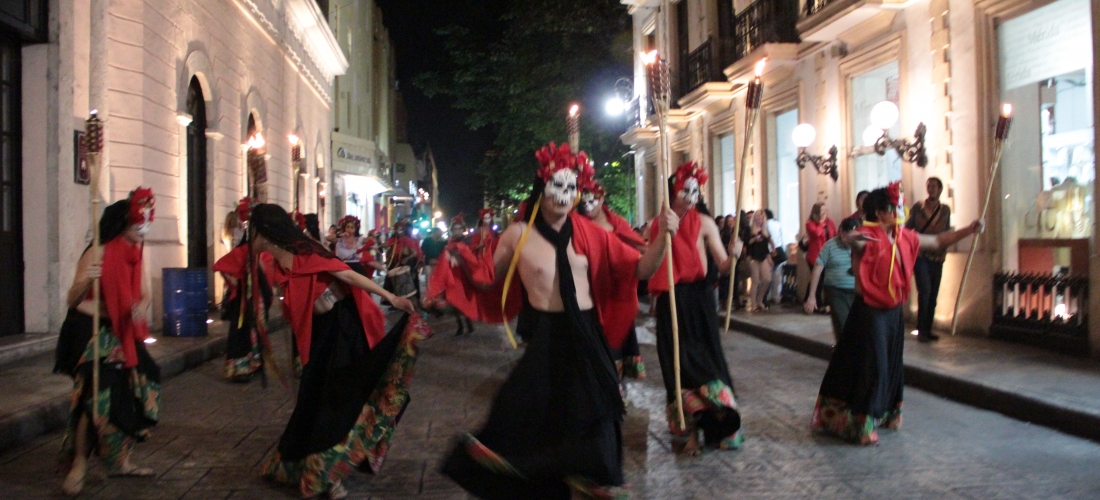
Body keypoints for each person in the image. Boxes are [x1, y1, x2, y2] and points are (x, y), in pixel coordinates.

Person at [442, 142, 675, 498]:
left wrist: (663, 237)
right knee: (523, 408)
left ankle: (594, 479)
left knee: (597, 409)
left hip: (587, 333)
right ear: (542, 187)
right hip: (548, 337)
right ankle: (536, 479)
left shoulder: (592, 233)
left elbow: (642, 268)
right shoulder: (518, 234)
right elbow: (489, 278)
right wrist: (459, 265)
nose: (565, 195)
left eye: (571, 187)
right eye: (557, 186)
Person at [252, 203, 427, 499]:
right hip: (317, 334)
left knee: (334, 398)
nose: (249, 235)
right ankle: (302, 466)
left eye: (252, 229)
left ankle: (327, 475)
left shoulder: (305, 250)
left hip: (341, 331)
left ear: (265, 230)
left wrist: (391, 297)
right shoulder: (271, 257)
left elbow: (346, 274)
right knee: (313, 396)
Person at [812, 183, 982, 445]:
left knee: (891, 364)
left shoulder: (905, 236)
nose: (900, 209)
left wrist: (968, 231)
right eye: (895, 206)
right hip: (868, 311)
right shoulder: (867, 234)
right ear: (881, 212)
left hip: (893, 313)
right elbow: (852, 240)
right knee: (875, 364)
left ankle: (888, 412)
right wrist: (854, 238)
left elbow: (937, 241)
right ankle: (862, 422)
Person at [54, 188, 160, 496]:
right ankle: (79, 464)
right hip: (87, 328)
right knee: (97, 394)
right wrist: (89, 279)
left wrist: (140, 306)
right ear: (124, 224)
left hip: (120, 328)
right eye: (139, 225)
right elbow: (73, 300)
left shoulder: (139, 250)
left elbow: (144, 293)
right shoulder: (98, 251)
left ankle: (120, 460)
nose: (144, 231)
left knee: (142, 382)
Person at [648, 162, 745, 456]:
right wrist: (655, 303)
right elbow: (654, 265)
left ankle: (720, 421)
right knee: (677, 368)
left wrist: (735, 255)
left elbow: (724, 265)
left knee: (707, 364)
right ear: (672, 192)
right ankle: (690, 429)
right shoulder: (659, 224)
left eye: (694, 190)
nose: (690, 196)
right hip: (671, 301)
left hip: (699, 301)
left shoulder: (705, 223)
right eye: (683, 190)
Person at [578, 181, 648, 380]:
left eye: (593, 200)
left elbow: (639, 250)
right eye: (584, 201)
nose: (589, 205)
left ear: (602, 198)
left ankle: (615, 392)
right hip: (590, 294)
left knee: (615, 346)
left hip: (617, 294)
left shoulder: (617, 223)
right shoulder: (578, 225)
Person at [212, 198, 276, 382]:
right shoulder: (243, 249)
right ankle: (241, 368)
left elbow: (265, 269)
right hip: (244, 300)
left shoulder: (260, 249)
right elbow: (222, 266)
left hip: (259, 296)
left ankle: (254, 363)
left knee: (257, 329)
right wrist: (238, 283)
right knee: (242, 332)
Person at [905, 177, 952, 342]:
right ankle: (921, 329)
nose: (931, 189)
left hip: (937, 256)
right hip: (921, 255)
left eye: (934, 186)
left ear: (940, 189)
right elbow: (908, 229)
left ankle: (928, 328)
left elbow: (947, 232)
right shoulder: (918, 208)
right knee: (924, 292)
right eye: (929, 186)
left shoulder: (945, 210)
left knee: (933, 294)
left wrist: (944, 251)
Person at [803, 217, 861, 342]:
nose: (847, 239)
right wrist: (811, 296)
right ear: (841, 232)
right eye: (845, 235)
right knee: (842, 323)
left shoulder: (861, 245)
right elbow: (817, 269)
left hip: (856, 291)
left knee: (857, 325)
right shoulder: (830, 246)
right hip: (836, 291)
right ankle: (843, 355)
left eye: (851, 237)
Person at [423, 215, 481, 336]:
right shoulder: (449, 242)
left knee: (463, 301)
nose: (457, 231)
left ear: (462, 229)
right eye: (455, 229)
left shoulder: (467, 241)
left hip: (464, 276)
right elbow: (443, 257)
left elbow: (471, 257)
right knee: (453, 301)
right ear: (452, 230)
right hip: (452, 276)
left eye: (459, 228)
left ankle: (468, 323)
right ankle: (460, 324)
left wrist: (460, 256)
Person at [802, 202, 836, 312]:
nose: (824, 213)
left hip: (828, 254)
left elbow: (834, 234)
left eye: (825, 210)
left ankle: (821, 303)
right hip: (815, 255)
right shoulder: (810, 223)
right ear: (816, 212)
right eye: (822, 210)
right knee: (817, 279)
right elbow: (817, 233)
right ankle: (813, 303)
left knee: (824, 279)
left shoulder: (830, 222)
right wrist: (821, 223)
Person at [745, 210, 773, 312]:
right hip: (752, 256)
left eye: (762, 218)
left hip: (763, 255)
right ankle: (753, 304)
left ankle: (760, 299)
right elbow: (746, 243)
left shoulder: (765, 230)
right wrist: (754, 239)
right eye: (758, 218)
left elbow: (767, 245)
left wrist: (769, 257)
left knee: (767, 279)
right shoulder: (749, 229)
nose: (760, 220)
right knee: (755, 280)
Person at [764, 209, 786, 305]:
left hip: (772, 251)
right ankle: (776, 295)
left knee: (768, 274)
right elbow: (781, 237)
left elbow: (769, 239)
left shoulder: (766, 224)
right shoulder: (777, 223)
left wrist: (769, 252)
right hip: (780, 249)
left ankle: (768, 296)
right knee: (776, 275)